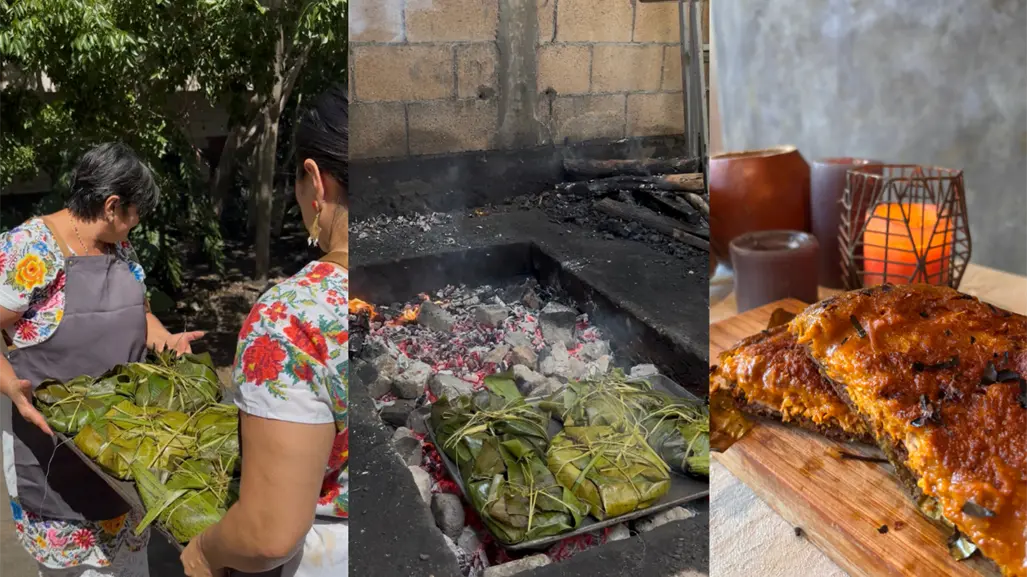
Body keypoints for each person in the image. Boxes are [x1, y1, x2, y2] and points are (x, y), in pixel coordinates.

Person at [0, 142, 205, 576]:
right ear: (112, 206)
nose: (136, 225)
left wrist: (167, 339)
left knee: (126, 563)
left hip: (125, 444)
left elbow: (141, 312)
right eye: (134, 214)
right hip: (53, 445)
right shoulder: (29, 250)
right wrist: (9, 388)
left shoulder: (120, 249)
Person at [181, 84, 349, 577]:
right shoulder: (438, 288)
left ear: (315, 182)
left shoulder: (293, 316)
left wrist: (205, 552)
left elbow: (268, 533)